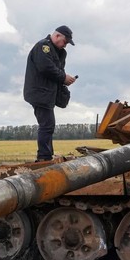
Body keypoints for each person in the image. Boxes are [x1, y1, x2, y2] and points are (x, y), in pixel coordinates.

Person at [23, 25, 78, 162]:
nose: (65, 46)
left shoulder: (56, 51)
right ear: (57, 36)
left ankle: (47, 156)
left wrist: (64, 80)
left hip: (47, 93)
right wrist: (64, 77)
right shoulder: (43, 47)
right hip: (40, 93)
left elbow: (56, 69)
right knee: (47, 125)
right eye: (65, 42)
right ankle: (44, 158)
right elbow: (46, 68)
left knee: (48, 125)